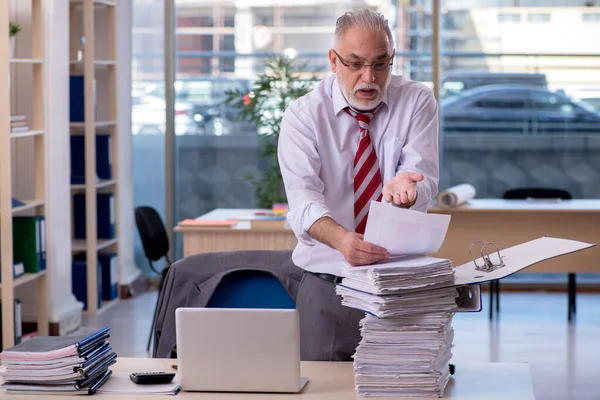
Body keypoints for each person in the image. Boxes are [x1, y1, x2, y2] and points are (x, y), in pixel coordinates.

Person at [277, 9, 439, 362]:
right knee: (322, 384)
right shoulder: (304, 116)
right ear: (333, 61)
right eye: (355, 64)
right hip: (328, 275)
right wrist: (343, 240)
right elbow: (303, 201)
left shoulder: (416, 101)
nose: (369, 78)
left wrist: (408, 191)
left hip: (400, 278)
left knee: (405, 381)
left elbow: (424, 177)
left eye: (381, 64)